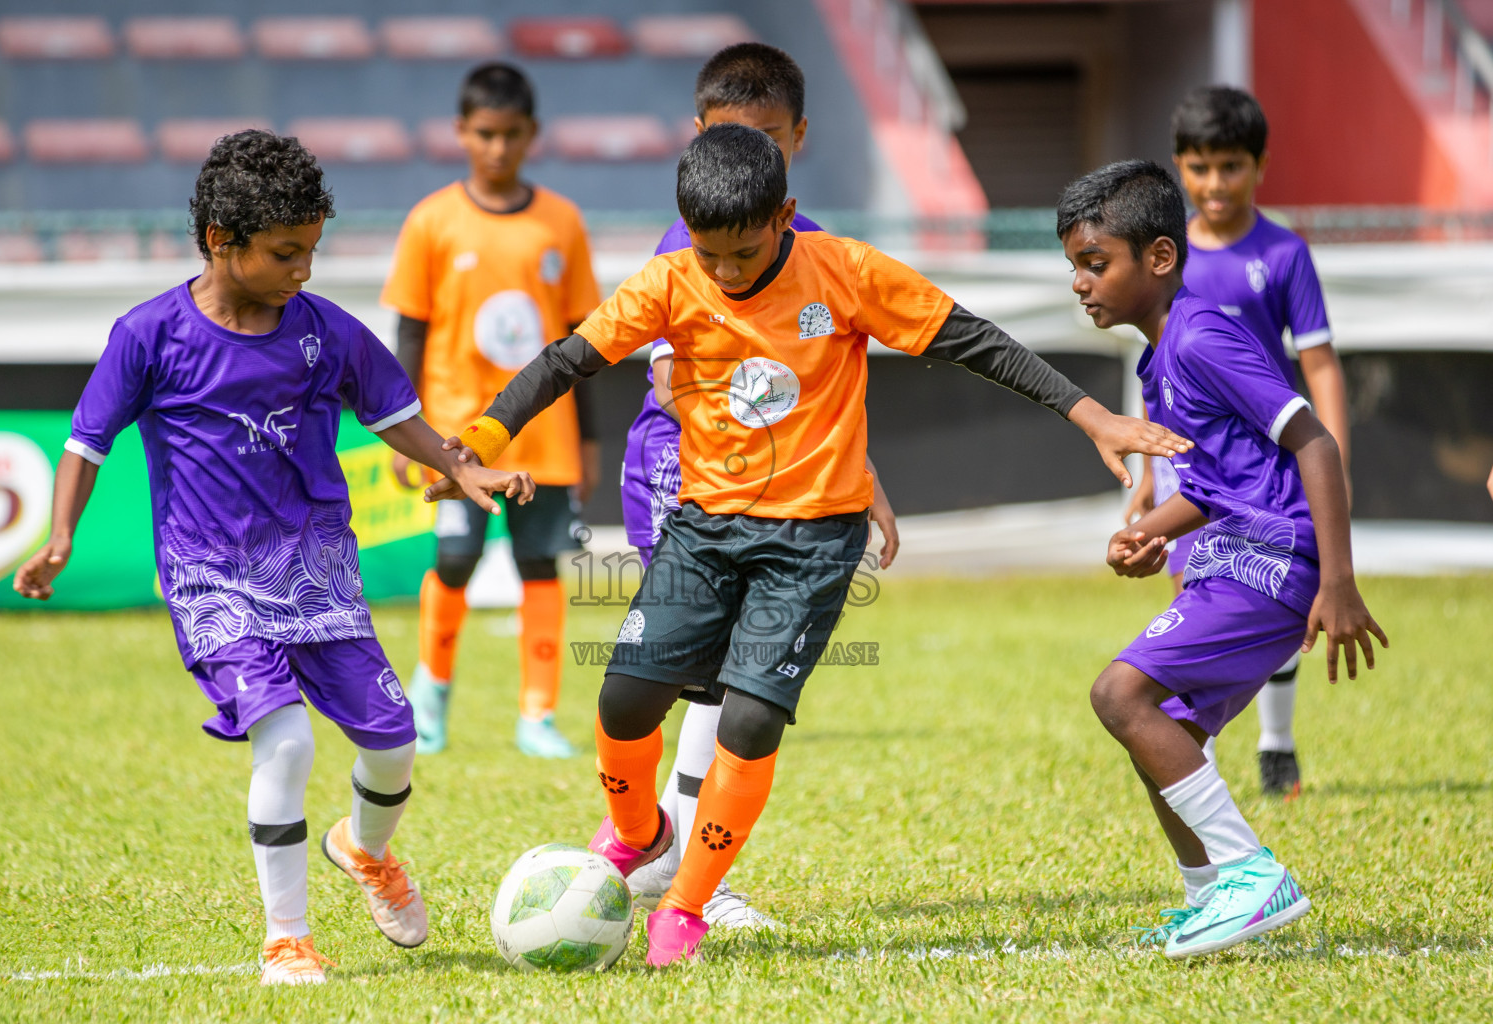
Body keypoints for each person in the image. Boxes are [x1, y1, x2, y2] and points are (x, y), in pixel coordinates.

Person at [436, 125, 1192, 966]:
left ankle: (684, 907)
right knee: (622, 703)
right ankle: (639, 834)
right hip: (702, 529)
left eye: (742, 253)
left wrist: (1091, 415)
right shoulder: (670, 279)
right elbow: (567, 360)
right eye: (706, 252)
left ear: (786, 216)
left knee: (751, 718)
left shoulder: (845, 272)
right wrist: (484, 437)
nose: (723, 273)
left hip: (813, 541)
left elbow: (972, 338)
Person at [11, 130, 533, 985]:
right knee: (285, 743)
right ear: (222, 240)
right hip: (209, 574)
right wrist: (62, 535)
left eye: (313, 250)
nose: (306, 270)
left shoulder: (325, 332)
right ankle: (286, 938)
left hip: (316, 569)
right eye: (288, 252)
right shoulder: (148, 335)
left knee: (395, 741)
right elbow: (87, 442)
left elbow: (391, 412)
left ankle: (363, 851)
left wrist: (461, 465)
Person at [1060, 160, 1387, 958]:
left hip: (1276, 553)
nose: (1080, 282)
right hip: (1235, 545)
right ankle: (1210, 896)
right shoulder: (1158, 360)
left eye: (1095, 263)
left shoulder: (1202, 337)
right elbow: (1214, 481)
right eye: (1073, 265)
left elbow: (1313, 441)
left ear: (1160, 258)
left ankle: (1249, 872)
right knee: (1162, 725)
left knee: (1120, 694)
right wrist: (1154, 532)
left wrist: (1337, 582)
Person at [621, 41, 898, 933]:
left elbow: (809, 386)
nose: (748, 159)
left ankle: (669, 858)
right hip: (689, 474)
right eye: (732, 139)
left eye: (770, 139)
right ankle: (671, 862)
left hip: (773, 483)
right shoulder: (697, 236)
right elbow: (675, 380)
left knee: (723, 683)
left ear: (799, 138)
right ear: (697, 137)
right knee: (709, 681)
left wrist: (860, 475)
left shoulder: (807, 247)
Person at [1128, 86, 1349, 798]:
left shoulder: (1283, 254)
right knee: (1201, 596)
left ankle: (1277, 744)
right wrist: (1143, 465)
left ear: (1260, 166)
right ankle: (1197, 758)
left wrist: (1335, 457)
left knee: (1259, 593)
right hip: (1187, 469)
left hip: (1267, 469)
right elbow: (1157, 367)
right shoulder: (1168, 252)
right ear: (1178, 169)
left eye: (1229, 166)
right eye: (1199, 168)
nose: (1214, 184)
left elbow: (1317, 364)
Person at [383, 63, 602, 759]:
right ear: (461, 132)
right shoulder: (432, 220)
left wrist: (589, 439)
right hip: (454, 434)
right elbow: (410, 330)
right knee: (455, 557)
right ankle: (431, 696)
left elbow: (584, 340)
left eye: (511, 135)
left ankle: (537, 716)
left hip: (545, 437)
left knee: (541, 563)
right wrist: (402, 431)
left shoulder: (561, 222)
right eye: (485, 134)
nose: (498, 148)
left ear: (531, 134)